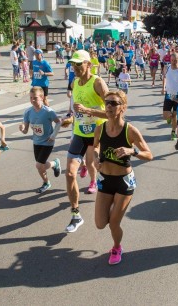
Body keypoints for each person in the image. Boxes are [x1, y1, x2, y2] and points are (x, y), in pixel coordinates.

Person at [93, 90, 153, 265]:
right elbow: (95, 147)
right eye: (107, 102)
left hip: (123, 182)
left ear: (123, 108)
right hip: (105, 179)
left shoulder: (130, 131)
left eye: (113, 103)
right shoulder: (100, 128)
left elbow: (149, 154)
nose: (109, 106)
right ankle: (113, 210)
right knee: (99, 223)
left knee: (113, 223)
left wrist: (131, 151)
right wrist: (96, 159)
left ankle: (117, 247)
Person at [65, 50, 109, 233]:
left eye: (78, 64)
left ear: (88, 64)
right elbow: (75, 107)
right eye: (73, 64)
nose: (75, 67)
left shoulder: (97, 82)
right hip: (79, 133)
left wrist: (89, 111)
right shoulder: (75, 82)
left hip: (98, 134)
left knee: (97, 167)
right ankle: (76, 214)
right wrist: (69, 117)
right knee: (69, 173)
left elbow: (113, 111)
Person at [19, 87, 62, 193]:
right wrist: (22, 129)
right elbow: (25, 130)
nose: (33, 100)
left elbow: (58, 122)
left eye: (35, 98)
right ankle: (54, 164)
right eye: (31, 98)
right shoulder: (28, 112)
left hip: (48, 141)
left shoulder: (48, 111)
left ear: (42, 97)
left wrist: (53, 135)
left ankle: (46, 183)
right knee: (40, 166)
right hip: (36, 141)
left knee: (39, 165)